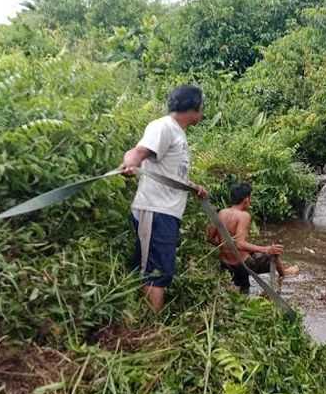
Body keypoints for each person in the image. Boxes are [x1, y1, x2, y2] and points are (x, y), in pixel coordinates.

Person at [121, 85, 208, 312]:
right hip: (155, 210)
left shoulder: (178, 134)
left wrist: (193, 187)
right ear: (193, 108)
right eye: (201, 108)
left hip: (166, 213)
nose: (202, 113)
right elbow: (138, 152)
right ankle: (153, 328)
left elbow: (170, 174)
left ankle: (138, 316)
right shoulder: (164, 127)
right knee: (156, 271)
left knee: (156, 268)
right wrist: (131, 162)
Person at [207, 182, 298, 294]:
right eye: (250, 197)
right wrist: (267, 249)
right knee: (273, 254)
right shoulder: (244, 216)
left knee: (241, 291)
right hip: (241, 265)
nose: (251, 200)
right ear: (246, 199)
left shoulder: (221, 213)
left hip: (225, 263)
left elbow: (210, 238)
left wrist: (227, 248)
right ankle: (284, 273)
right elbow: (240, 244)